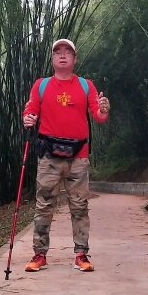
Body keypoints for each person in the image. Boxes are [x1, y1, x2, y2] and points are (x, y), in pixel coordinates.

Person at [21, 38, 110, 273]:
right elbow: (30, 110)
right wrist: (28, 118)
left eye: (67, 52)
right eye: (57, 52)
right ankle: (39, 254)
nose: (62, 55)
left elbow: (98, 115)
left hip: (78, 156)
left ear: (74, 58)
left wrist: (103, 109)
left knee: (79, 206)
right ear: (52, 58)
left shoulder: (85, 85)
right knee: (44, 206)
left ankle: (81, 254)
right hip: (48, 157)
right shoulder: (41, 85)